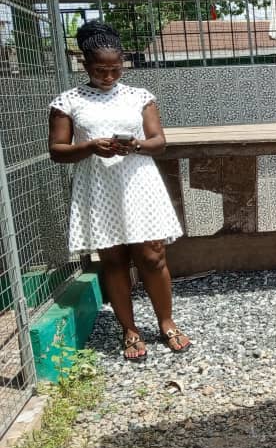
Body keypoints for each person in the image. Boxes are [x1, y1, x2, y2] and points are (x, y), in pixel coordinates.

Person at [48, 21, 189, 361]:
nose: (109, 76)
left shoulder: (140, 96)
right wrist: (91, 147)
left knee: (153, 257)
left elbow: (159, 142)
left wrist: (137, 144)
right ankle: (129, 329)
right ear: (84, 65)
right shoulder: (67, 102)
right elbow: (56, 150)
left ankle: (166, 321)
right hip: (98, 186)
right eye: (100, 70)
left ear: (123, 62)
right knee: (113, 260)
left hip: (138, 182)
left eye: (115, 69)